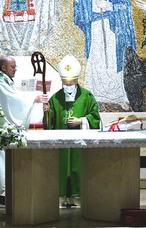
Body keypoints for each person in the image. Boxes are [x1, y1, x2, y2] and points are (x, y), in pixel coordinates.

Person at [0, 55, 48, 208]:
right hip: (1, 131)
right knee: (1, 163)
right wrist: (34, 98)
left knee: (5, 162)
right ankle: (1, 198)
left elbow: (12, 100)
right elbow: (13, 100)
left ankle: (6, 196)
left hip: (5, 130)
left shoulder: (4, 82)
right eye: (13, 67)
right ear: (3, 68)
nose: (15, 69)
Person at [43, 54, 100, 207]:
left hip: (80, 144)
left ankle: (79, 199)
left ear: (76, 81)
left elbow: (95, 117)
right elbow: (49, 125)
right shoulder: (55, 98)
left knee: (78, 168)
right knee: (61, 170)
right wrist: (47, 112)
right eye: (65, 83)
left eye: (71, 82)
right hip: (61, 145)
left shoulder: (87, 96)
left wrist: (81, 121)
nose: (68, 85)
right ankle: (62, 199)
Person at [65, 0, 136, 110]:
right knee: (96, 60)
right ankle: (94, 94)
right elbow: (86, 8)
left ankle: (118, 97)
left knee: (113, 63)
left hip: (112, 30)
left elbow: (126, 7)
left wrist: (109, 5)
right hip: (96, 28)